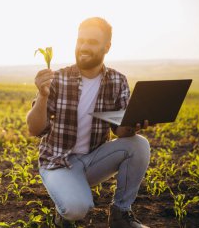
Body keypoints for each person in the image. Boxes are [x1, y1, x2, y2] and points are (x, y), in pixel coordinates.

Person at [26, 17, 152, 228]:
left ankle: (121, 214)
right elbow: (34, 128)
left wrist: (134, 125)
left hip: (94, 160)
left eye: (92, 42)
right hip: (57, 163)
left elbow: (121, 131)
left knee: (139, 144)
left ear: (107, 47)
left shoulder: (118, 81)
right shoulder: (58, 78)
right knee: (77, 209)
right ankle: (63, 211)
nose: (84, 47)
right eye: (80, 41)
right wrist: (42, 95)